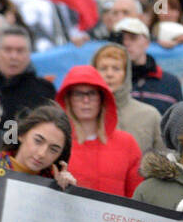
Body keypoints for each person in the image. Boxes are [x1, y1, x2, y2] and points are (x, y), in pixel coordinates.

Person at [53, 65, 142, 197]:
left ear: (102, 98)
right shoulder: (55, 142)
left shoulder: (127, 143)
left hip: (115, 216)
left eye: (92, 93)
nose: (86, 100)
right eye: (78, 94)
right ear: (68, 99)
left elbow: (136, 197)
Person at [91, 42, 163, 157]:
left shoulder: (150, 115)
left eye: (116, 69)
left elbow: (165, 163)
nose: (109, 74)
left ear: (126, 74)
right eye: (103, 69)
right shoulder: (83, 115)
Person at [0, 26, 54, 125]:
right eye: (8, 50)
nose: (14, 57)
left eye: (20, 51)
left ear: (29, 54)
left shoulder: (44, 90)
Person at [118, 16, 183, 116]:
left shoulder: (170, 82)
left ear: (147, 42)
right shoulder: (113, 81)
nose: (126, 43)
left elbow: (178, 121)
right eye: (121, 39)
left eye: (133, 38)